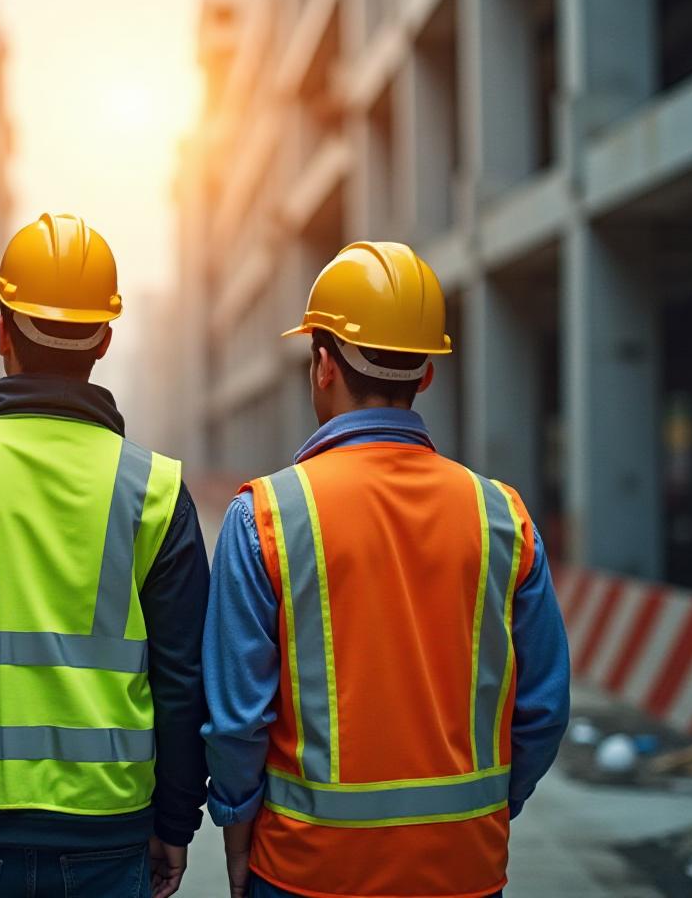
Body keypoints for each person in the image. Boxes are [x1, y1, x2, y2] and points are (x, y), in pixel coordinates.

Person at [202, 241, 570, 898]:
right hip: (464, 868)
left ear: (323, 365)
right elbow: (543, 709)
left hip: (306, 872)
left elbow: (237, 722)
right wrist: (482, 814)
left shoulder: (267, 516)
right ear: (426, 374)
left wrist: (236, 828)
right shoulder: (501, 516)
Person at [0, 213, 210, 898]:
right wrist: (176, 821)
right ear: (105, 339)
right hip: (109, 828)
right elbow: (183, 679)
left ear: (2, 331)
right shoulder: (154, 489)